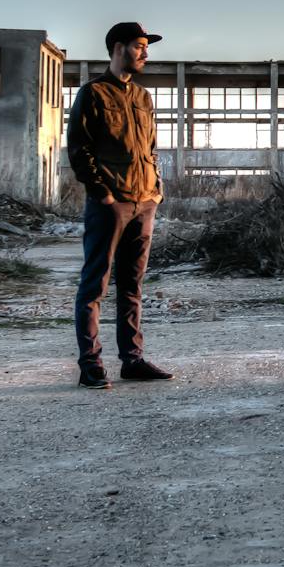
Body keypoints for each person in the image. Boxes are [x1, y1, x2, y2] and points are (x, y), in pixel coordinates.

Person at [66, 22, 174, 389]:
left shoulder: (143, 98)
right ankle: (90, 365)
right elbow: (79, 150)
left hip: (145, 202)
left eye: (146, 47)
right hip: (111, 204)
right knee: (95, 284)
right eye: (139, 46)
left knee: (132, 285)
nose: (145, 53)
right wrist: (102, 193)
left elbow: (152, 149)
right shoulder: (92, 93)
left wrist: (156, 190)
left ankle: (132, 359)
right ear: (118, 48)